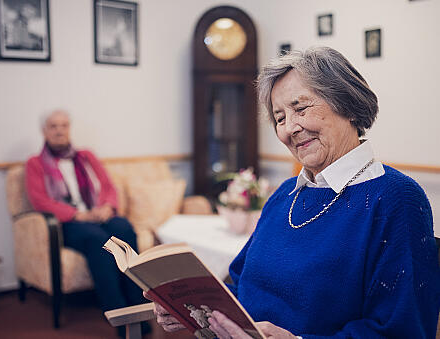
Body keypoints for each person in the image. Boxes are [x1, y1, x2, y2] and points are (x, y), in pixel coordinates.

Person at [146, 47, 440, 338]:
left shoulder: (396, 198)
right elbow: (241, 285)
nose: (289, 129)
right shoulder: (286, 194)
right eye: (279, 118)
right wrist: (190, 307)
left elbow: (402, 330)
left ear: (347, 104)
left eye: (300, 109)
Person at [25, 110, 148, 337]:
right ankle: (120, 315)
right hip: (71, 223)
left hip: (98, 214)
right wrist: (76, 215)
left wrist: (107, 208)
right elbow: (40, 200)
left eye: (64, 125)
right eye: (53, 126)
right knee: (98, 241)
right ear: (44, 131)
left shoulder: (86, 156)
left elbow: (109, 187)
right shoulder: (35, 164)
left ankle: (139, 306)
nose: (59, 130)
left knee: (124, 229)